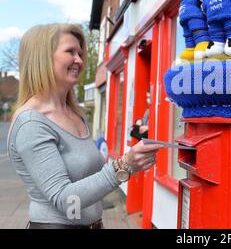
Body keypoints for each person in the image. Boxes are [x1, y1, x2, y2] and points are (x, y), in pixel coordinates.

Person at [7, 24, 161, 229]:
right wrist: (124, 166)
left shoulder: (75, 114)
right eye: (70, 51)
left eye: (80, 53)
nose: (79, 60)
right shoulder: (31, 123)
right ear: (42, 57)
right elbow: (65, 200)